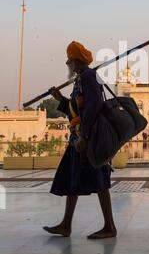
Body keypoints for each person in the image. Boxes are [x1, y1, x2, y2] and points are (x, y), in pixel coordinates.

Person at [43, 40, 117, 239]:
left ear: (75, 62)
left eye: (68, 62)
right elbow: (77, 110)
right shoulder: (82, 78)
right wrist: (60, 99)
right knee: (72, 178)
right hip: (79, 138)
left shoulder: (89, 77)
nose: (68, 65)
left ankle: (109, 226)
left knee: (100, 181)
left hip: (88, 140)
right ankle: (66, 225)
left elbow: (93, 107)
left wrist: (84, 136)